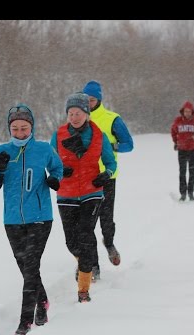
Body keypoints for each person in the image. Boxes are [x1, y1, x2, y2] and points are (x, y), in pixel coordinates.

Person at [0, 104, 63, 335]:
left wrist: (54, 180)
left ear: (32, 127)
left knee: (30, 267)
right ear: (9, 129)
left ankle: (25, 321)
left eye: (24, 128)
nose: (20, 133)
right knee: (26, 267)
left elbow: (58, 168)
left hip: (40, 218)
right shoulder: (2, 151)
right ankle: (43, 300)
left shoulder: (43, 149)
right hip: (11, 220)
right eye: (15, 128)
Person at [50, 93, 117, 303]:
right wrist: (61, 170)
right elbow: (50, 161)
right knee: (71, 242)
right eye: (70, 113)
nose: (74, 117)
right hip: (66, 194)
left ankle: (84, 289)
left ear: (86, 114)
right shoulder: (58, 135)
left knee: (86, 234)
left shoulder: (98, 136)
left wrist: (105, 175)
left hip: (92, 192)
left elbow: (110, 162)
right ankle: (86, 262)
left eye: (77, 113)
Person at [82, 80, 134, 281]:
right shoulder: (78, 118)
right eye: (85, 99)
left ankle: (109, 243)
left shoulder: (112, 119)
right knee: (87, 223)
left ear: (99, 99)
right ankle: (92, 265)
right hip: (85, 178)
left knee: (106, 218)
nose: (88, 103)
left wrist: (111, 147)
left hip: (107, 176)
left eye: (92, 99)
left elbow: (129, 144)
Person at [171, 101, 194, 201]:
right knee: (182, 172)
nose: (187, 113)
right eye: (185, 111)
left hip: (193, 150)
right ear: (183, 111)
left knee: (192, 172)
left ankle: (191, 192)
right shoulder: (178, 121)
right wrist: (176, 142)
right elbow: (173, 131)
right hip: (182, 150)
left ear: (192, 112)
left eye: (189, 111)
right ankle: (183, 193)